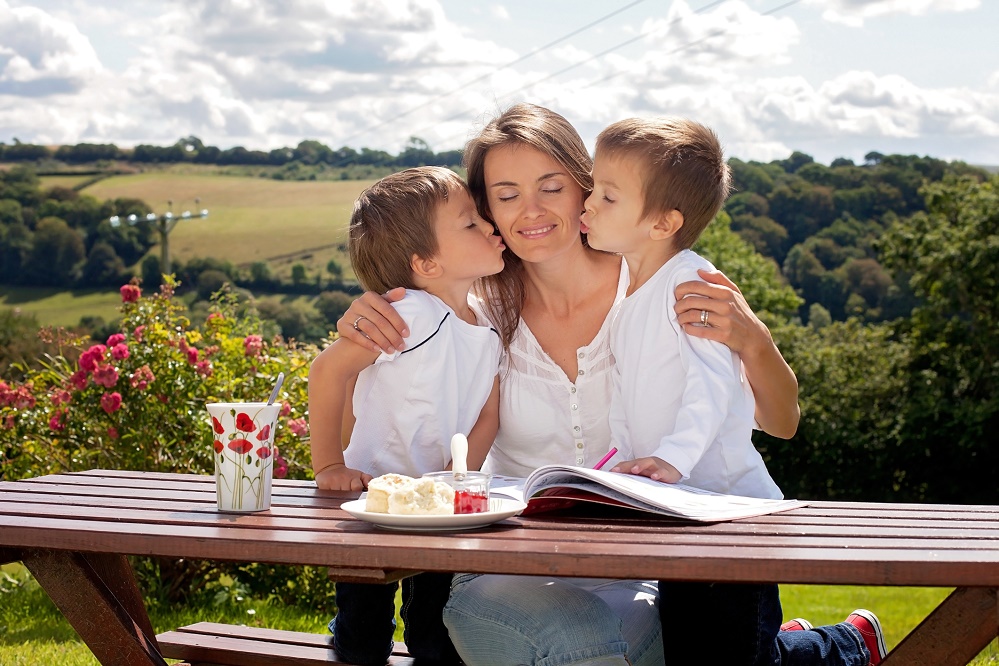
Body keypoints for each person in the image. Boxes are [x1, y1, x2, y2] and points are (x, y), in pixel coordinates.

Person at [336, 103, 799, 666]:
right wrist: (366, 325)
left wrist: (755, 341)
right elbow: (373, 405)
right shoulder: (472, 317)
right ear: (488, 213)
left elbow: (780, 423)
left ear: (587, 188)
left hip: (660, 570)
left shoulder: (660, 285)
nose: (530, 210)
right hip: (519, 571)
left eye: (550, 187)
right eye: (505, 196)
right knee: (569, 644)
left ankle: (814, 648)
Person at [582, 115, 887, 666]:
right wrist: (623, 470)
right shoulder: (631, 291)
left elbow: (713, 387)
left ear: (662, 222)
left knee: (735, 660)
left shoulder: (690, 285)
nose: (587, 204)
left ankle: (848, 643)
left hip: (729, 511)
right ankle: (778, 638)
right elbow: (627, 395)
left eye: (607, 195)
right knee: (699, 650)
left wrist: (671, 459)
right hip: (676, 507)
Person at [308, 166, 505, 665]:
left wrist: (459, 481)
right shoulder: (410, 314)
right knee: (364, 630)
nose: (489, 227)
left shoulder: (485, 326)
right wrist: (329, 465)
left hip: (437, 506)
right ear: (426, 263)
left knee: (435, 629)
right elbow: (327, 372)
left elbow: (488, 414)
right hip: (371, 497)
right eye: (470, 224)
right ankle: (350, 639)